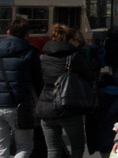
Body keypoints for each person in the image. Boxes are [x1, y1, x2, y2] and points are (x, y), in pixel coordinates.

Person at [37, 24, 97, 158]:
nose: (78, 43)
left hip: (46, 107)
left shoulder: (45, 56)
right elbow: (89, 76)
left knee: (53, 150)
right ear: (69, 41)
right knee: (77, 146)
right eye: (76, 40)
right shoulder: (73, 57)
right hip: (68, 105)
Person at [0, 15, 41, 158]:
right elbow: (38, 82)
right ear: (27, 34)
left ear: (8, 32)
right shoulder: (30, 53)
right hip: (20, 106)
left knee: (0, 151)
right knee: (24, 147)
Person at [86, 70, 118, 156]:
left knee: (105, 152)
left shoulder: (96, 97)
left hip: (100, 132)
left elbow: (91, 118)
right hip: (116, 131)